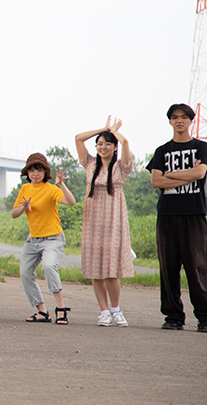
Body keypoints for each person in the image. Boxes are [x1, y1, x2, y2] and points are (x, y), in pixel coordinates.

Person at [147, 103, 207, 333]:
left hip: (194, 214)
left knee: (196, 267)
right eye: (175, 117)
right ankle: (173, 316)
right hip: (166, 215)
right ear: (169, 121)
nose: (179, 121)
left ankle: (204, 318)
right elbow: (156, 181)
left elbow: (199, 173)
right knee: (168, 268)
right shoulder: (162, 151)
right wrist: (185, 176)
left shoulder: (201, 147)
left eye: (184, 117)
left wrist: (171, 176)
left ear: (190, 121)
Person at [74, 117, 134, 327]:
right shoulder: (90, 163)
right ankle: (104, 311)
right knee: (95, 267)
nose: (102, 147)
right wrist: (103, 129)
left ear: (114, 147)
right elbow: (78, 139)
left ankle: (116, 309)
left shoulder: (121, 167)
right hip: (92, 217)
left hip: (113, 217)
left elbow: (125, 144)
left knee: (110, 269)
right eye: (99, 144)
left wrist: (114, 132)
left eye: (107, 143)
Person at [12, 153, 76, 325]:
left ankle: (61, 309)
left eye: (39, 170)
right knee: (25, 274)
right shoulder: (25, 189)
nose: (35, 173)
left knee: (48, 266)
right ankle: (41, 311)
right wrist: (23, 206)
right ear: (27, 172)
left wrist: (61, 184)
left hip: (53, 239)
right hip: (32, 240)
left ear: (45, 172)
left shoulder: (50, 189)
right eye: (32, 170)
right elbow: (14, 214)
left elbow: (71, 202)